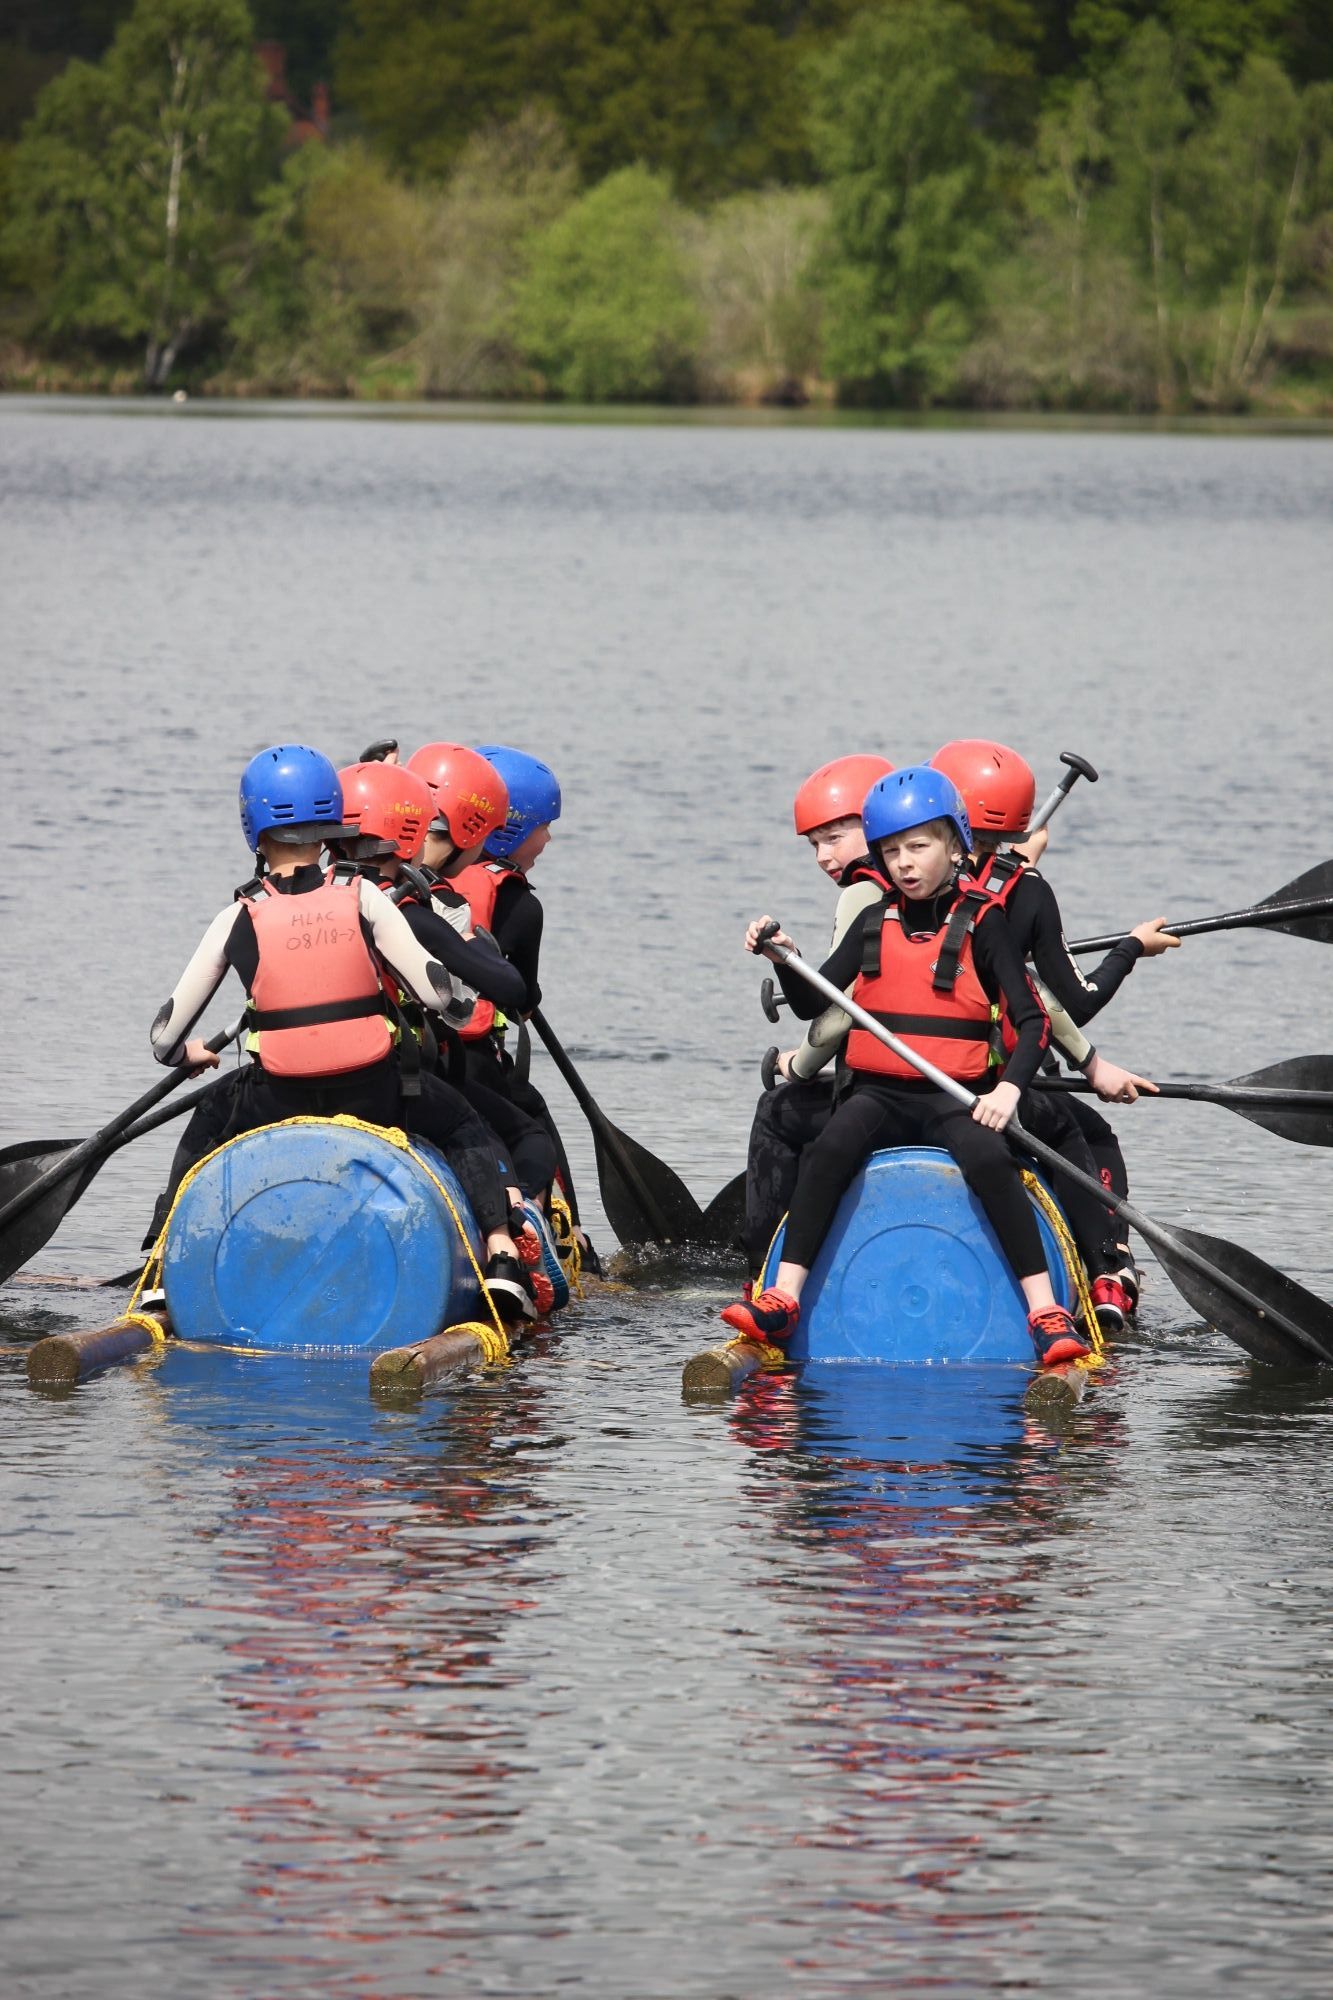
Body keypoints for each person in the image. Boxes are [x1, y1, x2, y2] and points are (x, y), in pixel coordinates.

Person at [146, 744, 538, 1324]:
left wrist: (194, 1052)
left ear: (252, 827)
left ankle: (158, 1266)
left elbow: (164, 1039)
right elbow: (439, 994)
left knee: (206, 1123)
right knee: (462, 1124)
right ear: (330, 820)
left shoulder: (237, 916)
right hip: (374, 1091)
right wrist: (458, 1009)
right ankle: (503, 1261)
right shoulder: (365, 896)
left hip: (276, 1095)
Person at [721, 766, 1092, 1369]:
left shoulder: (984, 922)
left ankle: (1045, 1311)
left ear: (955, 845)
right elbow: (817, 1002)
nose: (905, 864)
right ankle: (782, 1298)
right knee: (829, 1148)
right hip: (880, 1096)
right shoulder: (873, 920)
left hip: (957, 1096)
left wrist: (1008, 1091)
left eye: (919, 847)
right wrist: (785, 954)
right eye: (891, 851)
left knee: (990, 1161)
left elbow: (1033, 1023)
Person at [930, 738, 1178, 1327]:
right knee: (1089, 1135)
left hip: (924, 1074)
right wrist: (1130, 948)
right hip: (1005, 1082)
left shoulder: (904, 875)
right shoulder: (1031, 892)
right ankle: (1109, 1273)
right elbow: (1079, 1000)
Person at [743, 754, 893, 1281]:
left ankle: (763, 1266)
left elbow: (838, 1013)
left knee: (777, 1111)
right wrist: (788, 957)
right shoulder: (949, 885)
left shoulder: (862, 892)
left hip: (881, 1094)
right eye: (814, 845)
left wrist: (798, 1067)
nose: (823, 856)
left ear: (875, 826)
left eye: (834, 837)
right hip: (958, 1081)